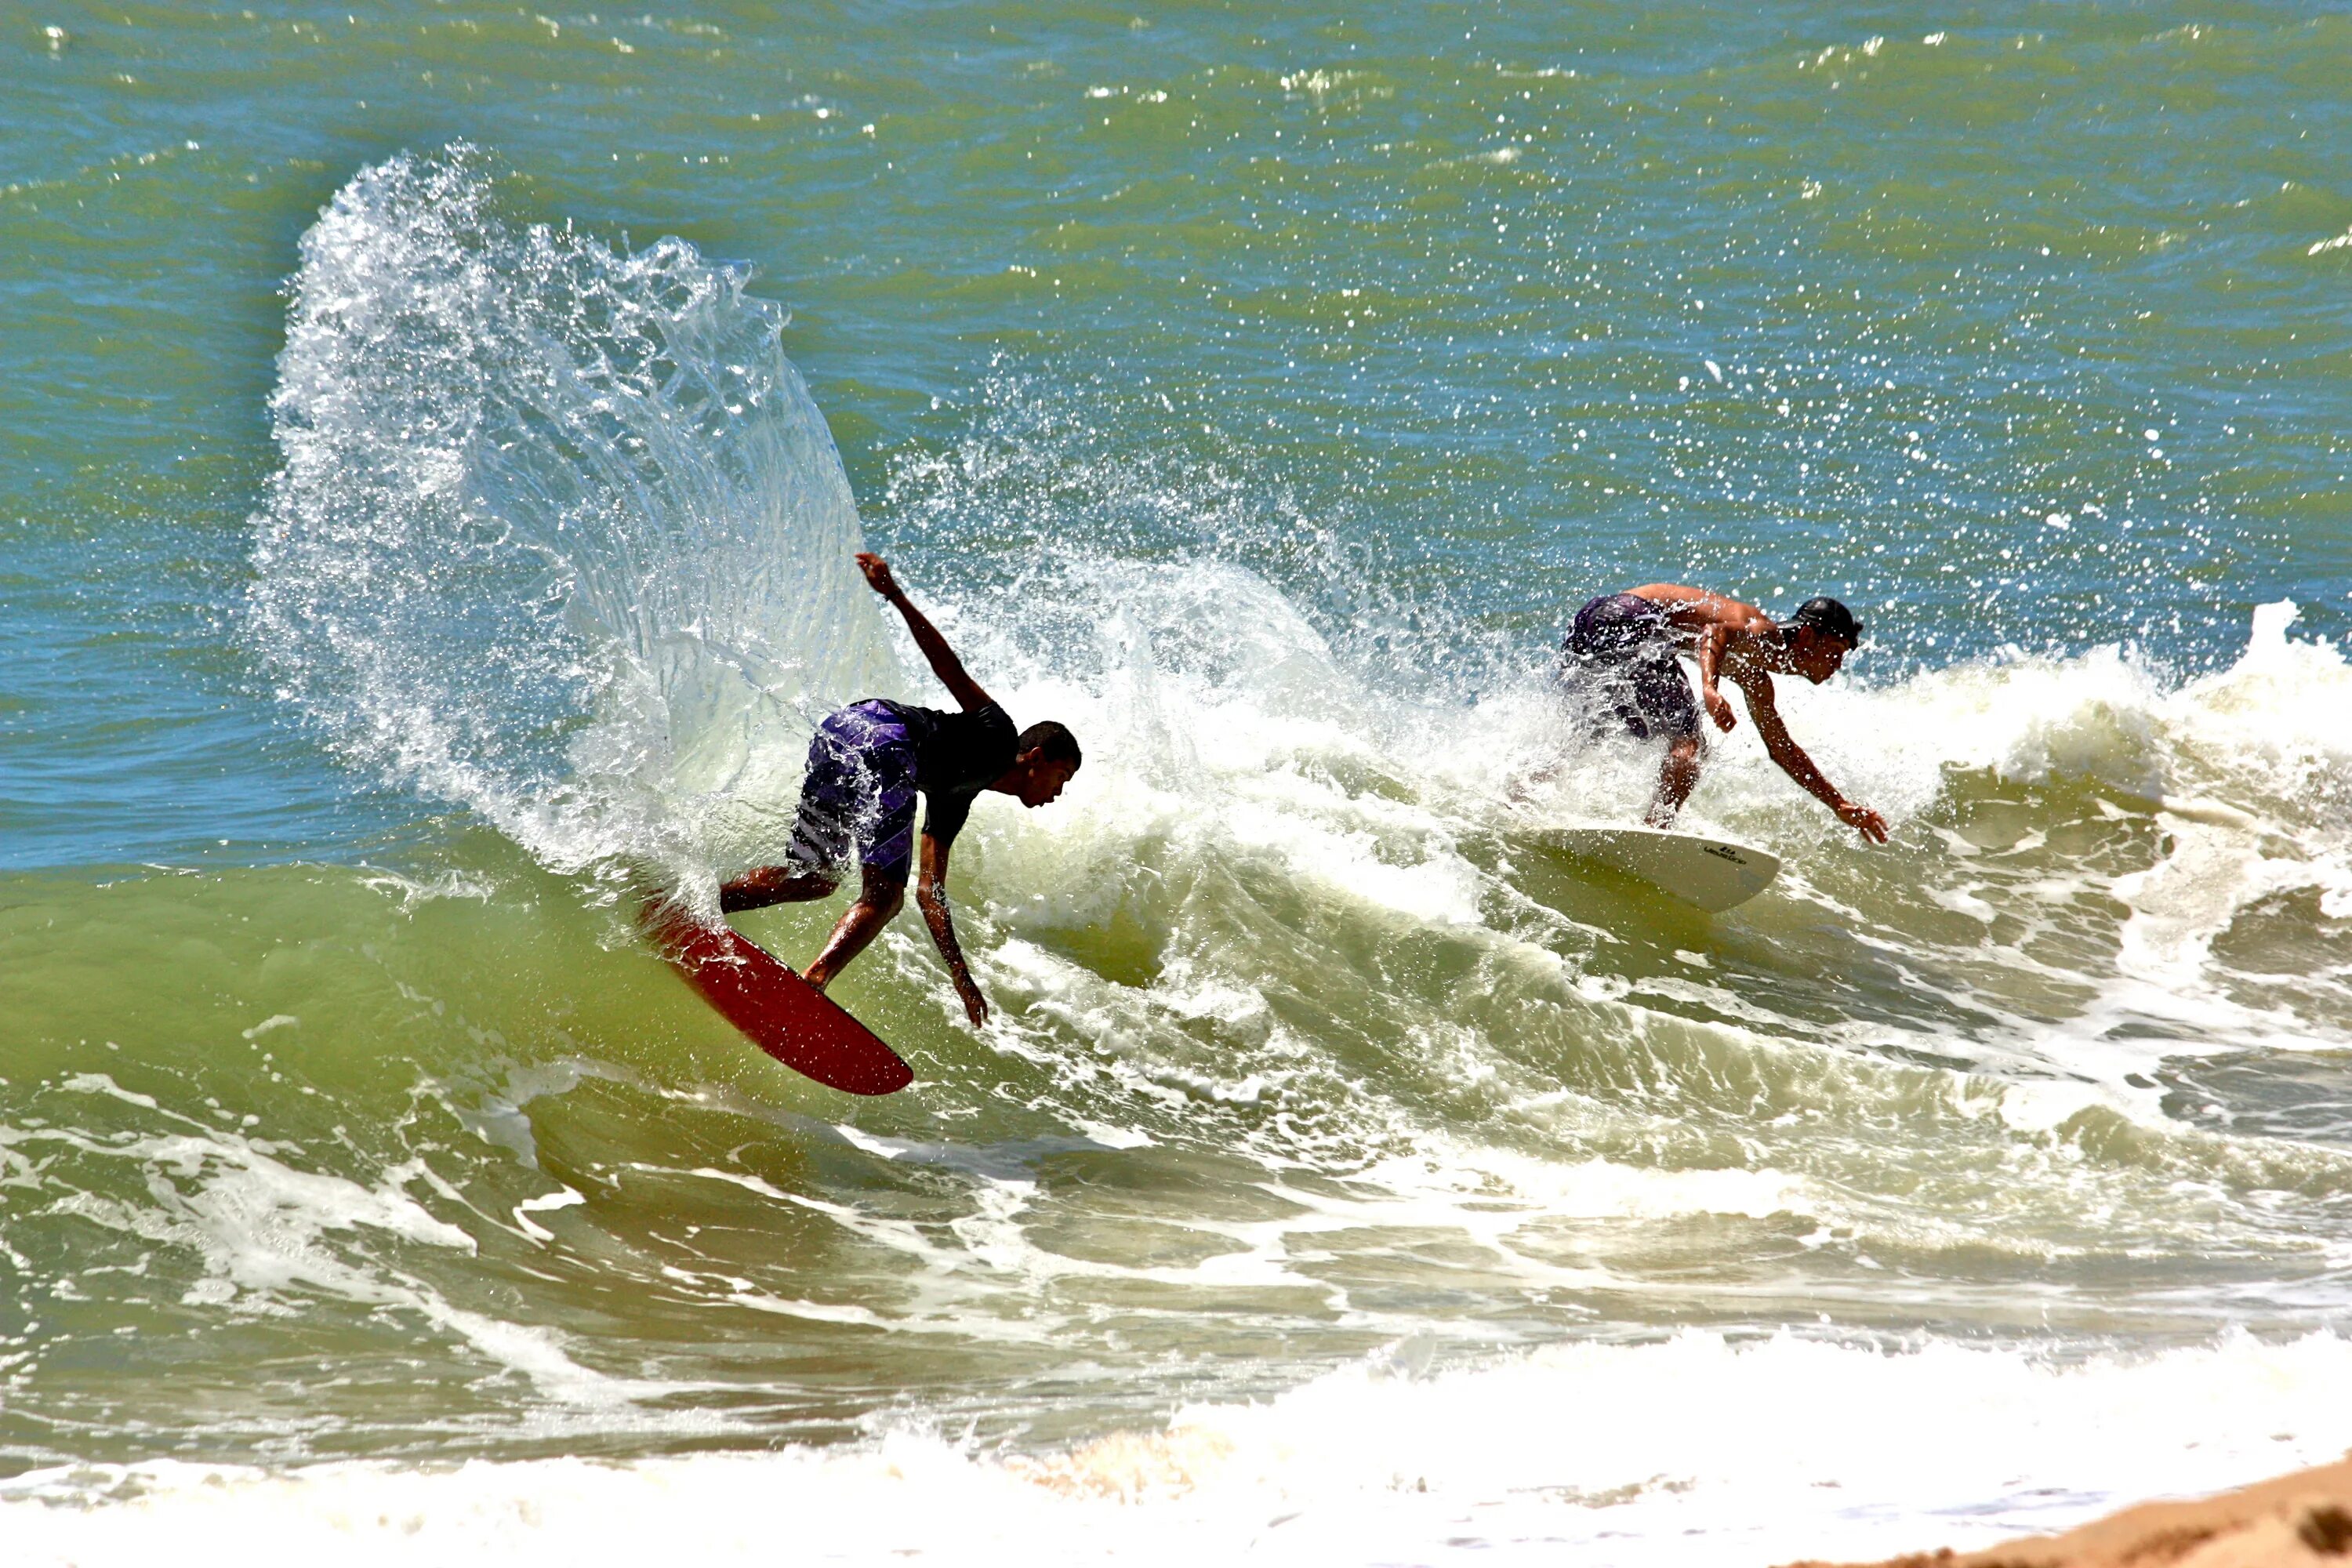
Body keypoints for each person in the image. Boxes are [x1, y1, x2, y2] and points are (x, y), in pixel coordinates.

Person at [717, 554, 1080, 1025]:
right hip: (888, 740)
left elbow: (932, 894)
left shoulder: (955, 801)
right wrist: (895, 595)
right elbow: (948, 668)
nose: (1058, 793)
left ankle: (698, 901)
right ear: (1035, 759)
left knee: (814, 879)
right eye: (1062, 777)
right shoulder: (998, 735)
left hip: (842, 732)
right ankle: (814, 982)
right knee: (884, 897)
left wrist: (960, 976)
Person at [1559, 584, 1887, 843]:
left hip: (1594, 619)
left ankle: (1522, 792)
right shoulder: (1763, 633)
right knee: (1688, 746)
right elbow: (1715, 632)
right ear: (1806, 635)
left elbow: (1781, 749)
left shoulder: (1758, 679)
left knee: (1597, 734)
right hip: (1632, 617)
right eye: (1833, 652)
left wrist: (1838, 804)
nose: (1836, 665)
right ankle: (1656, 832)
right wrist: (1710, 688)